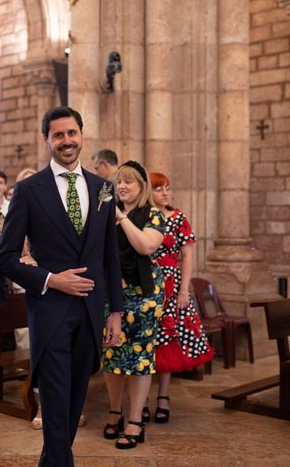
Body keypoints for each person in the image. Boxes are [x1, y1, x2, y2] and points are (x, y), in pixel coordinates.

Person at [0, 106, 123, 466]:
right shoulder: (28, 190)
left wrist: (114, 310)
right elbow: (5, 258)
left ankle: (52, 461)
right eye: (58, 135)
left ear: (82, 135)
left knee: (73, 400)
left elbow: (109, 256)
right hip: (50, 311)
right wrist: (52, 280)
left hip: (90, 310)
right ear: (46, 140)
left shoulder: (102, 189)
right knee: (53, 399)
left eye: (72, 133)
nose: (66, 141)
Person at [100, 160, 165, 449]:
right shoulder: (105, 214)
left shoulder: (152, 214)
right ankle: (115, 410)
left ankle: (136, 420)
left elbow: (146, 246)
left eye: (129, 182)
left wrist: (121, 218)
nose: (122, 186)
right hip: (110, 292)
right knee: (111, 355)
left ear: (142, 187)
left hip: (144, 295)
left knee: (139, 359)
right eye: (118, 182)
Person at [147, 172, 214, 423]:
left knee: (168, 342)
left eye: (167, 187)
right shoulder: (142, 217)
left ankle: (163, 397)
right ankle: (141, 399)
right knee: (146, 341)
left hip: (171, 285)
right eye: (158, 188)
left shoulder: (178, 218)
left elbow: (187, 256)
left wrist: (183, 291)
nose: (165, 192)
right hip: (144, 284)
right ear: (148, 192)